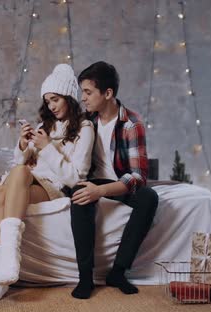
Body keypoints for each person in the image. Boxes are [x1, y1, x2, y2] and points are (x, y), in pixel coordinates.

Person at [0, 64, 95, 303]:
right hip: (29, 180)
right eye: (47, 101)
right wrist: (23, 144)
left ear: (69, 97)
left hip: (55, 188)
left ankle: (6, 263)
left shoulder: (85, 128)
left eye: (55, 100)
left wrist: (47, 147)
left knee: (17, 177)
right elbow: (20, 162)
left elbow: (77, 177)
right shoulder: (43, 127)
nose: (51, 106)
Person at [69, 61, 159, 299]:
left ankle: (118, 271)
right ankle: (85, 278)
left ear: (108, 93)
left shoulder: (131, 123)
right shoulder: (84, 120)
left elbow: (138, 176)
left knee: (149, 197)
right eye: (82, 93)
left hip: (119, 181)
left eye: (88, 92)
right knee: (80, 194)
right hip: (92, 179)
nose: (83, 98)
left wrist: (101, 192)